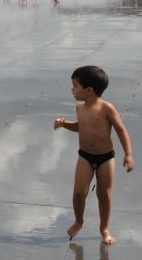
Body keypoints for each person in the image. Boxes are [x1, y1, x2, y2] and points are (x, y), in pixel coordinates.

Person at [53, 65, 135, 245]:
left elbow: (121, 131)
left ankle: (104, 228)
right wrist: (65, 124)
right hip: (85, 156)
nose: (72, 90)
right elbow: (80, 126)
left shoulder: (107, 108)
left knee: (104, 194)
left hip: (106, 158)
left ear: (88, 90)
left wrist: (128, 154)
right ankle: (79, 221)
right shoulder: (79, 108)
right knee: (78, 193)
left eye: (75, 86)